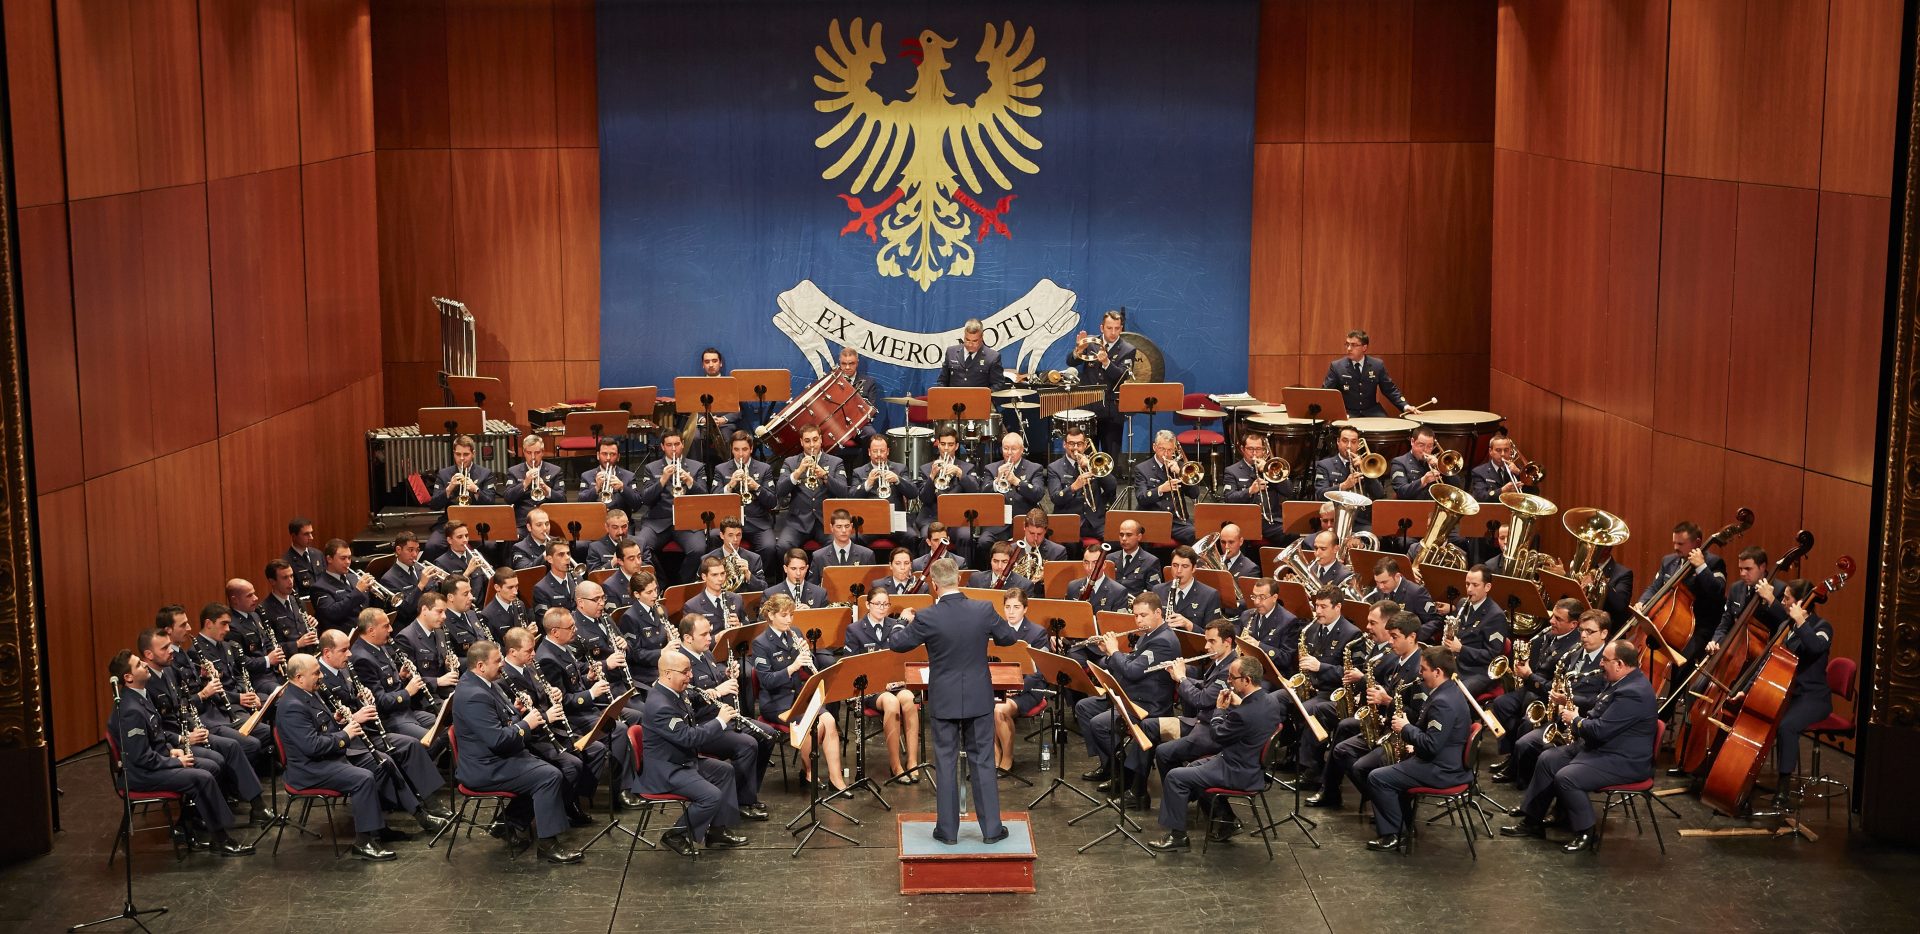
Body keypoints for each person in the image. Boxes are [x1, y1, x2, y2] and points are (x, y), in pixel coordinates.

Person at [887, 558, 1021, 844]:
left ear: (934, 585)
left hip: (944, 699)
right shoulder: (983, 609)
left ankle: (947, 832)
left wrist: (901, 622)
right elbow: (1008, 638)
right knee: (983, 761)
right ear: (959, 578)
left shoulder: (926, 616)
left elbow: (897, 644)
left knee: (946, 763)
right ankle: (992, 830)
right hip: (978, 697)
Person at [277, 653, 448, 860]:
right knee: (363, 778)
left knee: (383, 762)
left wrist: (337, 721)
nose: (321, 676)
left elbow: (320, 728)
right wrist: (345, 734)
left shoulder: (308, 692)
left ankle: (404, 820)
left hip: (329, 755)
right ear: (298, 677)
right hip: (309, 768)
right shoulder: (292, 706)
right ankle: (363, 842)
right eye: (316, 673)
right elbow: (311, 746)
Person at [1502, 639, 1657, 853]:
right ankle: (1532, 822)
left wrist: (1575, 720)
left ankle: (1586, 831)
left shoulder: (1634, 693)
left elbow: (1600, 729)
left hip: (1622, 759)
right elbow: (1598, 712)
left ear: (1620, 664)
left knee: (1567, 777)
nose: (1601, 663)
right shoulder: (1620, 681)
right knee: (1548, 759)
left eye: (1605, 660)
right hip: (1600, 747)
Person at [106, 651, 257, 856]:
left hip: (155, 763)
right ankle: (221, 839)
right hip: (141, 775)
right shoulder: (130, 709)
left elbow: (156, 737)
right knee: (201, 777)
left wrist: (173, 751)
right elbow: (141, 758)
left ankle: (188, 827)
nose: (144, 664)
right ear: (128, 677)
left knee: (211, 766)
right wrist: (176, 762)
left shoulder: (140, 696)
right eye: (139, 664)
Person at [449, 641, 583, 863]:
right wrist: (526, 724)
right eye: (497, 660)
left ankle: (508, 823)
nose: (502, 664)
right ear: (480, 665)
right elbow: (498, 739)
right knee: (548, 776)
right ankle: (548, 845)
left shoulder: (486, 683)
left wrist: (517, 714)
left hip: (499, 757)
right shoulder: (473, 694)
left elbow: (505, 717)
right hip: (485, 767)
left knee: (554, 768)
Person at [1150, 654, 1280, 851]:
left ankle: (1178, 837)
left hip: (1236, 771)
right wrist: (1239, 705)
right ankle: (1226, 821)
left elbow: (1218, 734)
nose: (1228, 681)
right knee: (1193, 767)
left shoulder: (1243, 714)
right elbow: (1250, 718)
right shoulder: (1270, 701)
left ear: (1246, 680)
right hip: (1249, 765)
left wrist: (1219, 710)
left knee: (1175, 777)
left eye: (1232, 677)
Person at [656, 612, 771, 822]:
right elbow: (685, 696)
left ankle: (745, 793)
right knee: (747, 745)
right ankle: (741, 802)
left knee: (767, 735)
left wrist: (727, 673)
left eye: (709, 632)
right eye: (704, 634)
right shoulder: (678, 661)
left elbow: (714, 677)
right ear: (687, 638)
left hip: (722, 716)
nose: (710, 637)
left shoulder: (706, 653)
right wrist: (718, 690)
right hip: (703, 723)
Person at [1305, 609, 1424, 807]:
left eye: (1372, 622)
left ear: (1411, 637)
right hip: (1383, 720)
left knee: (1344, 730)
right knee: (1341, 741)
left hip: (1398, 732)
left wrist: (1385, 700)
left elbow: (1417, 714)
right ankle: (1333, 786)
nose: (1367, 627)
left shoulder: (1415, 665)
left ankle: (1380, 799)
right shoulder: (1395, 656)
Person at [1076, 592, 1182, 807]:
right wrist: (1109, 654)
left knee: (1100, 724)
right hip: (1131, 693)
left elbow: (1132, 671)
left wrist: (1115, 651)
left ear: (1158, 613)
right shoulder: (1148, 634)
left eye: (1143, 615)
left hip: (1149, 703)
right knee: (1084, 707)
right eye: (1136, 616)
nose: (1139, 620)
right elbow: (1131, 662)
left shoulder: (1163, 641)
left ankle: (1125, 775)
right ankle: (1112, 768)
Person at [1736, 578, 1833, 812]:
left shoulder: (1822, 627)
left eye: (1786, 597)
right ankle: (1743, 781)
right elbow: (1766, 664)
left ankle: (1783, 787)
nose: (1782, 601)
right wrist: (1746, 690)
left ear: (1800, 602)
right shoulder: (1785, 627)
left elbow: (1815, 648)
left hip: (1812, 697)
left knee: (1786, 726)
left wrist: (1801, 621)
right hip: (1786, 693)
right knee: (1761, 723)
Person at [1362, 647, 1471, 851]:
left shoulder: (1443, 702)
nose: (1420, 674)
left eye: (1424, 669)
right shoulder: (1450, 691)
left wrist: (1406, 728)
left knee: (1377, 777)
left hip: (1441, 770)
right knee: (1389, 766)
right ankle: (1403, 822)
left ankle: (1394, 834)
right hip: (1445, 762)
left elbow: (1431, 745)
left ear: (1437, 672)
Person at [642, 651, 750, 855]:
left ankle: (717, 831)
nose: (690, 675)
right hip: (667, 769)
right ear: (667, 674)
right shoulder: (660, 706)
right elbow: (688, 737)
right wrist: (720, 721)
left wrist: (715, 693)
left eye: (690, 670)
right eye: (685, 672)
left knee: (725, 771)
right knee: (711, 796)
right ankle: (676, 834)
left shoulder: (674, 691)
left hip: (682, 759)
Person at [496, 626, 606, 826]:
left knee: (596, 749)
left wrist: (553, 693)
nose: (534, 654)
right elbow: (514, 719)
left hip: (552, 730)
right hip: (532, 738)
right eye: (529, 651)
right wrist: (547, 716)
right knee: (572, 766)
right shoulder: (504, 679)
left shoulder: (531, 666)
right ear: (512, 652)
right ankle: (558, 808)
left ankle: (569, 800)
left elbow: (541, 696)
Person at [1496, 610, 1612, 789]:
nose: (1583, 636)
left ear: (1604, 634)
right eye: (1582, 630)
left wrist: (1569, 701)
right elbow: (1558, 681)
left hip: (1583, 722)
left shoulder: (1609, 661)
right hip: (1559, 717)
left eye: (1589, 632)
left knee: (1546, 753)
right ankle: (1525, 789)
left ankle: (1543, 797)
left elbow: (1601, 699)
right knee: (1523, 744)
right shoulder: (1574, 652)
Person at [752, 594, 846, 789]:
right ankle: (808, 773)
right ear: (770, 615)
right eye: (784, 615)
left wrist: (808, 653)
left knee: (829, 720)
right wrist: (792, 667)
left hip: (799, 696)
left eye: (791, 615)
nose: (789, 619)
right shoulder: (761, 643)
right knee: (813, 724)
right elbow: (767, 681)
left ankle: (837, 780)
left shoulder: (795, 632)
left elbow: (809, 665)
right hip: (776, 701)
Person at [1488, 598, 1585, 770]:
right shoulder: (1549, 633)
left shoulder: (1574, 649)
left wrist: (1529, 675)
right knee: (1500, 704)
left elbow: (1555, 688)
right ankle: (1512, 754)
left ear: (1573, 624)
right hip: (1531, 687)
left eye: (1558, 619)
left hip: (1547, 696)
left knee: (1527, 721)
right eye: (1553, 616)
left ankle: (1518, 766)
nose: (1551, 621)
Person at [1633, 520, 1728, 683]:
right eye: (1674, 543)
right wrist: (1643, 602)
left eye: (1681, 543)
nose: (1676, 547)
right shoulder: (1668, 561)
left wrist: (1701, 567)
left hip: (1698, 627)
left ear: (1697, 542)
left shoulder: (1714, 563)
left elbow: (1717, 593)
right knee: (1630, 649)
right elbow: (1654, 587)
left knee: (1681, 664)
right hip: (1668, 623)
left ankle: (1670, 705)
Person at [844, 590, 922, 781]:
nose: (881, 608)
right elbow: (849, 666)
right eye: (877, 604)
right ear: (868, 605)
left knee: (910, 700)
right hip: (870, 689)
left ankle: (912, 761)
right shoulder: (854, 630)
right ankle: (895, 765)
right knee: (891, 703)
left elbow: (903, 659)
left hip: (895, 684)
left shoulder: (895, 626)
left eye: (885, 604)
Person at [992, 589, 1055, 770]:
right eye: (1007, 607)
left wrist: (1018, 687)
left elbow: (1041, 670)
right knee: (982, 706)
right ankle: (995, 754)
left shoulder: (1037, 633)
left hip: (1028, 689)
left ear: (1025, 609)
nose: (1011, 612)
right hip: (1001, 686)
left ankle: (1007, 758)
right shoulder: (996, 631)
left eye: (1016, 607)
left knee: (998, 710)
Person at [635, 430, 708, 579]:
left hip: (688, 522)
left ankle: (682, 583)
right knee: (640, 548)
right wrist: (662, 480)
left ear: (682, 445)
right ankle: (660, 581)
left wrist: (690, 481)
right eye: (669, 445)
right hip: (658, 521)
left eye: (676, 444)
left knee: (699, 549)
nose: (673, 449)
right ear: (662, 447)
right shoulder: (651, 468)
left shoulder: (697, 467)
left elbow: (705, 498)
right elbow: (646, 500)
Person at [775, 426, 850, 557]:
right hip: (797, 522)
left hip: (825, 522)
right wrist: (798, 472)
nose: (812, 445)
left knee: (836, 545)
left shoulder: (835, 462)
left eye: (815, 440)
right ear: (801, 442)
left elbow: (844, 492)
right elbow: (780, 491)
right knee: (783, 546)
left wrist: (825, 476)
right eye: (807, 441)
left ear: (821, 440)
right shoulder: (790, 462)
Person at [1433, 564, 1508, 693]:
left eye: (1475, 585)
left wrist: (1461, 649)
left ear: (1487, 587)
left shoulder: (1496, 616)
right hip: (1455, 662)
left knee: (1453, 694)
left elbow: (1492, 655)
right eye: (1467, 584)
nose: (1469, 589)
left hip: (1477, 671)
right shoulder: (1463, 603)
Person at [1075, 309, 1136, 456]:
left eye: (1117, 328)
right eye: (1109, 328)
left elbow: (1122, 376)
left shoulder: (1128, 350)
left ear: (1121, 329)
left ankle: (1111, 479)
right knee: (1088, 453)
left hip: (1112, 411)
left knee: (1111, 454)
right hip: (1088, 407)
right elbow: (1071, 361)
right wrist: (1079, 349)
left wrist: (1107, 363)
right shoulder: (1090, 343)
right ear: (1102, 328)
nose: (1113, 332)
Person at [714, 431, 780, 569]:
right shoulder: (720, 469)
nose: (740, 454)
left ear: (751, 449)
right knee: (712, 538)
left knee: (769, 547)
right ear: (731, 449)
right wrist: (730, 485)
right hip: (730, 522)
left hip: (757, 522)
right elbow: (714, 499)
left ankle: (758, 578)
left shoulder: (764, 469)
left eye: (744, 449)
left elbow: (773, 502)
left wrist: (756, 487)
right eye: (736, 449)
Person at [1047, 424, 1118, 544]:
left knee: (1116, 542)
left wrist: (1092, 468)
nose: (1075, 448)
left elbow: (1112, 487)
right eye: (1071, 444)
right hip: (1069, 522)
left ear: (1085, 445)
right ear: (1065, 445)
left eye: (1079, 444)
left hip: (1095, 523)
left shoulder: (1093, 463)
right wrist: (1074, 487)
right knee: (1070, 546)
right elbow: (1055, 498)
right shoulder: (1054, 468)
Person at [916, 427, 977, 563]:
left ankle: (964, 570)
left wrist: (960, 474)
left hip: (958, 519)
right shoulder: (926, 468)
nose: (946, 449)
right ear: (938, 444)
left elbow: (975, 492)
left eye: (950, 445)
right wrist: (932, 477)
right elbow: (924, 498)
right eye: (943, 444)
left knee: (966, 535)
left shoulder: (967, 468)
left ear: (956, 446)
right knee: (927, 534)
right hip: (932, 517)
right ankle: (926, 573)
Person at [1221, 432, 1295, 544]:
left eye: (1258, 449)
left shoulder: (1272, 467)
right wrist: (1249, 491)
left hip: (1271, 520)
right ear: (1242, 449)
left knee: (1293, 533)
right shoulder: (1232, 471)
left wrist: (1268, 471)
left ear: (1264, 450)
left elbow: (1289, 491)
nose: (1254, 453)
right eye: (1250, 449)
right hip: (1245, 520)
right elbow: (1229, 498)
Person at [852, 434, 922, 551]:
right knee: (854, 538)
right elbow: (852, 496)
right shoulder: (859, 472)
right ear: (869, 452)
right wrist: (868, 483)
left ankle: (909, 567)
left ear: (888, 451)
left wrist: (898, 480)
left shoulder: (900, 469)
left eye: (882, 451)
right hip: (870, 522)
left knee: (912, 537)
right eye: (875, 451)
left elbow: (913, 493)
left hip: (896, 521)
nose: (879, 454)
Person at [979, 433, 1046, 550]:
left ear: (1022, 450)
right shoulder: (991, 468)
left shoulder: (1035, 468)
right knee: (984, 541)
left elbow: (1038, 494)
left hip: (1025, 523)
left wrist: (1017, 481)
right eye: (1006, 448)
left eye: (1013, 449)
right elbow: (982, 494)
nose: (1009, 452)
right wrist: (997, 481)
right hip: (997, 525)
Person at [1322, 329, 1410, 418]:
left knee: (1386, 427)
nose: (1349, 348)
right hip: (1348, 412)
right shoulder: (1337, 366)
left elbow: (1390, 389)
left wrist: (1405, 406)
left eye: (1353, 345)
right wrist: (1337, 412)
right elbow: (1326, 393)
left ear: (1364, 347)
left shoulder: (1377, 365)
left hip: (1372, 411)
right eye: (1347, 344)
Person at [1134, 430, 1202, 545]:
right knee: (1141, 537)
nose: (1166, 453)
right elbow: (1141, 497)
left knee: (1197, 535)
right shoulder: (1142, 468)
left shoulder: (1181, 467)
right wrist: (1160, 490)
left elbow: (1195, 494)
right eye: (1162, 449)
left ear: (1174, 449)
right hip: (1153, 521)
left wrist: (1181, 473)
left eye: (1170, 450)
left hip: (1177, 522)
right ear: (1154, 447)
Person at [222, 577, 285, 697]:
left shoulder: (255, 615)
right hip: (256, 678)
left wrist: (275, 654)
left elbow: (266, 641)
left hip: (273, 672)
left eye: (254, 593)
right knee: (283, 693)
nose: (255, 598)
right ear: (235, 600)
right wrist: (267, 660)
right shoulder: (231, 625)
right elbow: (240, 661)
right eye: (249, 595)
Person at [613, 569, 674, 689]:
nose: (655, 595)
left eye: (655, 589)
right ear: (637, 594)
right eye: (649, 592)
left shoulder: (661, 609)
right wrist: (662, 652)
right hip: (646, 672)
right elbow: (635, 654)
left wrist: (670, 637)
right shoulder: (629, 617)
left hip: (665, 663)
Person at [378, 532, 446, 629]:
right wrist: (421, 584)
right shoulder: (389, 579)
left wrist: (440, 584)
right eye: (410, 550)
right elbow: (404, 611)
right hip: (410, 628)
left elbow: (433, 596)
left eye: (417, 550)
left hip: (431, 622)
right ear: (398, 550)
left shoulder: (421, 568)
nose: (415, 554)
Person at [308, 539, 374, 634]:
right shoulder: (319, 587)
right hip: (342, 636)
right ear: (329, 559)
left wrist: (372, 592)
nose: (348, 562)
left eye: (349, 558)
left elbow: (365, 606)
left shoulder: (354, 577)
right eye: (343, 558)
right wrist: (358, 591)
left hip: (366, 630)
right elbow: (333, 613)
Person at [1153, 546, 1224, 629]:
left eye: (1185, 566)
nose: (1179, 571)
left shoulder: (1209, 595)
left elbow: (1213, 635)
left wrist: (1189, 625)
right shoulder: (1158, 590)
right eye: (1175, 565)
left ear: (1193, 568)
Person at [1388, 425, 1463, 503]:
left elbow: (1457, 488)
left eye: (1430, 446)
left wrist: (1441, 467)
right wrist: (1423, 481)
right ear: (1412, 441)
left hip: (1436, 505)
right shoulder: (1399, 462)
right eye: (1421, 445)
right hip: (1411, 508)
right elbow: (1401, 492)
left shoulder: (1436, 462)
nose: (1426, 450)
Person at [503, 435, 565, 528]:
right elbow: (508, 498)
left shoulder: (555, 470)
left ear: (542, 452)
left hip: (548, 522)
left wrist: (546, 489)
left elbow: (562, 499)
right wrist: (524, 483)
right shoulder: (513, 471)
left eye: (537, 453)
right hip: (523, 523)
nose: (533, 457)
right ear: (524, 452)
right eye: (529, 453)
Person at [936, 318, 1009, 390]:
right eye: (967, 340)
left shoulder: (992, 357)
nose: (970, 344)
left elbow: (998, 384)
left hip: (979, 400)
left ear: (981, 338)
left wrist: (982, 395)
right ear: (964, 336)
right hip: (954, 400)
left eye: (974, 341)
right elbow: (942, 381)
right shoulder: (951, 352)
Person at [808, 509, 876, 584]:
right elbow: (812, 589)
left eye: (847, 526)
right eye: (839, 526)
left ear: (851, 526)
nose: (843, 530)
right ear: (831, 527)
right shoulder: (818, 557)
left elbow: (873, 588)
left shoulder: (867, 555)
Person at [1468, 434, 1541, 503]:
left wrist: (1519, 474)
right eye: (1498, 450)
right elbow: (1480, 497)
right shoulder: (1479, 472)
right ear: (1490, 451)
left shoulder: (1519, 470)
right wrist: (1502, 491)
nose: (1502, 454)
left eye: (1506, 450)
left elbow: (1535, 493)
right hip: (1491, 512)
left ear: (1510, 451)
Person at [684, 555, 748, 631]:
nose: (720, 579)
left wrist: (740, 625)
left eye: (722, 573)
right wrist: (716, 638)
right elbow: (691, 639)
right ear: (704, 577)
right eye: (714, 575)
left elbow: (747, 625)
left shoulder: (737, 598)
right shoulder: (692, 606)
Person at [701, 518, 766, 592]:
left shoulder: (754, 559)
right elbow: (699, 588)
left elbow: (763, 589)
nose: (735, 539)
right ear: (722, 535)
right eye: (730, 535)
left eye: (738, 535)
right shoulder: (707, 559)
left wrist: (748, 574)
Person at [1064, 545, 1133, 612]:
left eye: (1095, 563)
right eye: (1087, 562)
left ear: (1104, 565)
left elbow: (1118, 621)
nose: (1090, 568)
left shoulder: (1118, 591)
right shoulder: (1072, 587)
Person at [579, 437, 639, 512]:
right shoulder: (586, 476)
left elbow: (637, 505)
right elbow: (581, 504)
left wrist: (622, 488)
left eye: (612, 454)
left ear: (618, 457)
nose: (608, 458)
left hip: (619, 521)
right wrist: (596, 488)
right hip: (595, 520)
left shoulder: (629, 476)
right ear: (598, 455)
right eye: (604, 454)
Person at [1108, 520, 1162, 595]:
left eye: (1129, 535)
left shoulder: (1151, 561)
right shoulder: (1110, 559)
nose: (1124, 538)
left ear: (1139, 537)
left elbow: (1153, 594)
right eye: (1121, 534)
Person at [968, 541, 1033, 592]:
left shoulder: (1024, 586)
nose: (999, 566)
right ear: (990, 560)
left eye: (1004, 562)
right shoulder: (975, 579)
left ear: (1012, 563)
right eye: (995, 561)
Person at [283, 517, 324, 594]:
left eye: (311, 533)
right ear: (293, 536)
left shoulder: (318, 554)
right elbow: (293, 593)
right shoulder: (287, 561)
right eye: (306, 534)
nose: (311, 537)